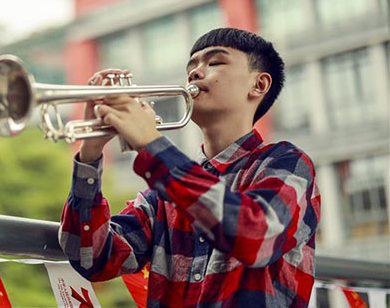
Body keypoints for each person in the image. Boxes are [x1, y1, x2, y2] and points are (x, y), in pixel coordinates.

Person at [59, 28, 321, 307]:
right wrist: (90, 152)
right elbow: (92, 258)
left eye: (215, 62)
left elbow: (256, 236)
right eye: (191, 66)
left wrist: (151, 143)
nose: (195, 73)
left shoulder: (288, 163)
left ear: (258, 85)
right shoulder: (162, 195)